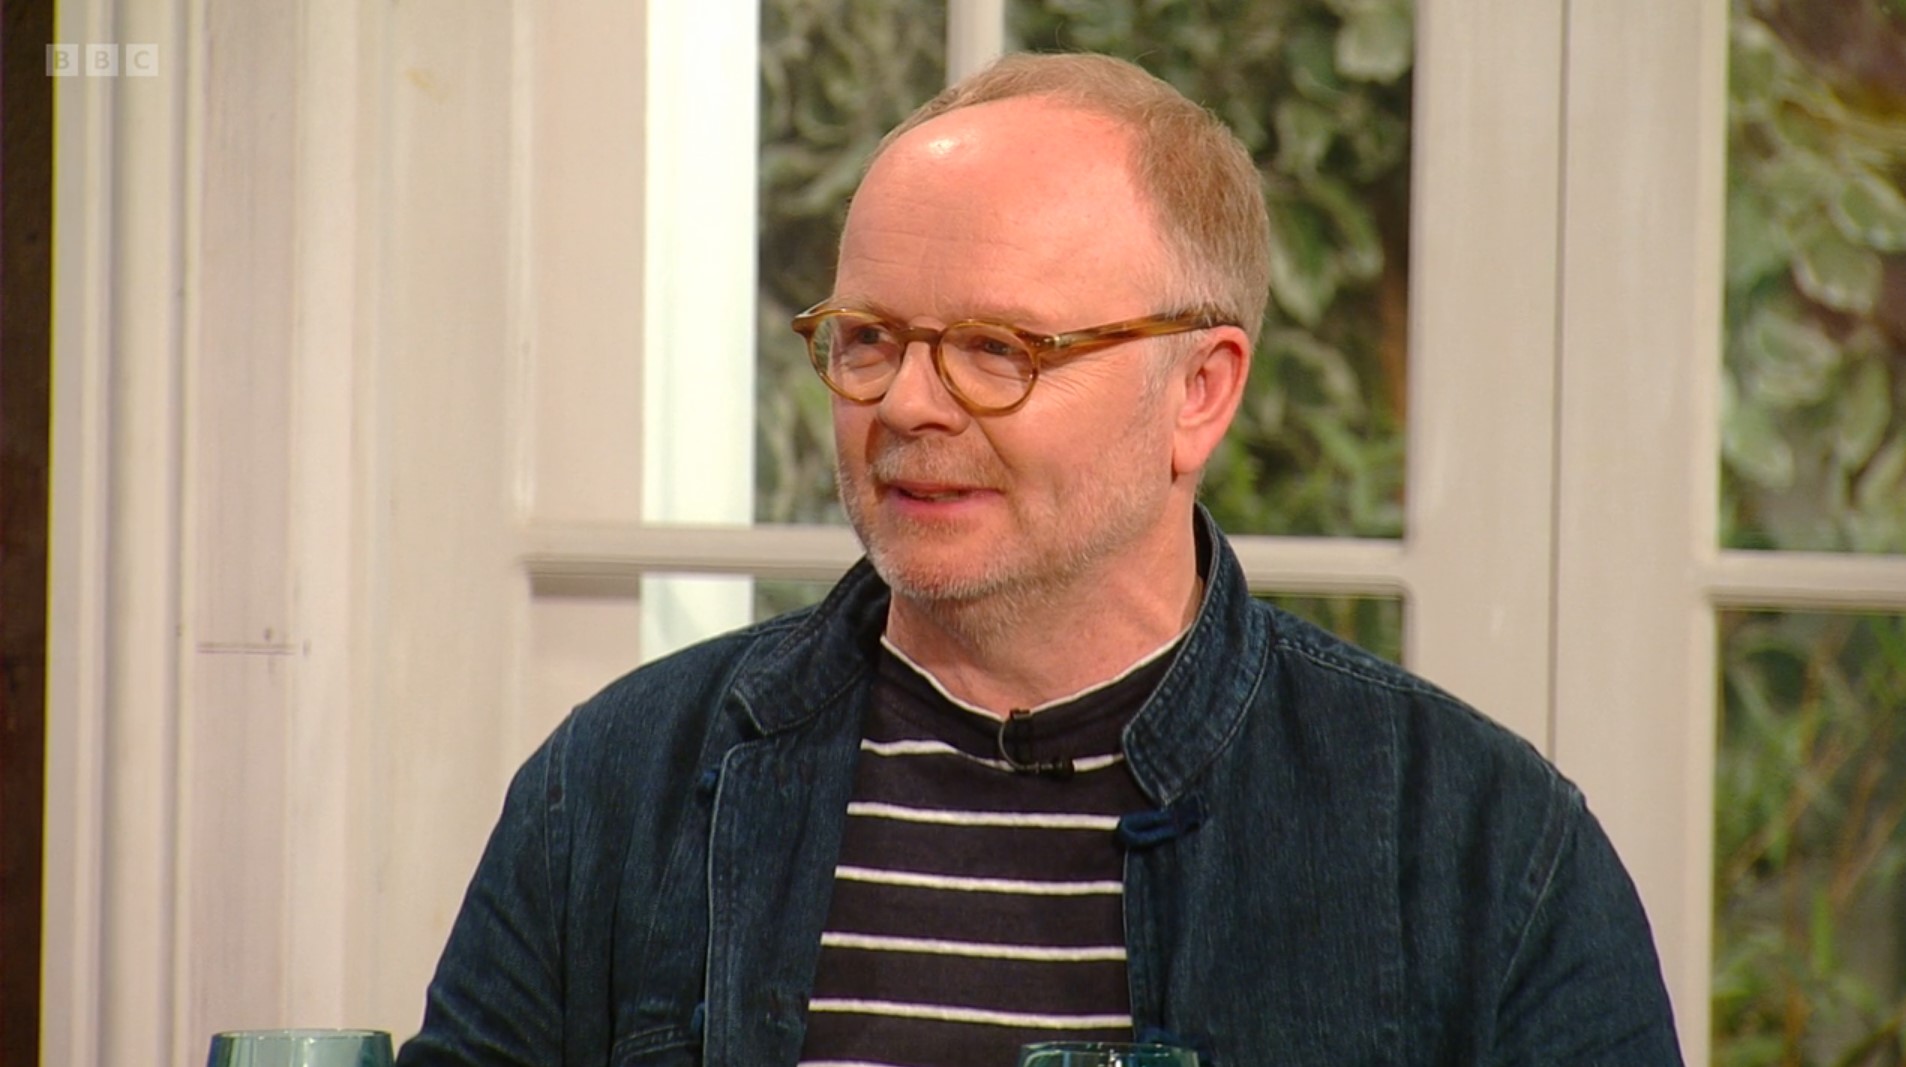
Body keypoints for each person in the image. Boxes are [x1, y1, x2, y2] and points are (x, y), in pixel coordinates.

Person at [397, 52, 1683, 1067]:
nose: (905, 403)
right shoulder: (613, 790)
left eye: (997, 349)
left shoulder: (1477, 845)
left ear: (1200, 390)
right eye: (867, 338)